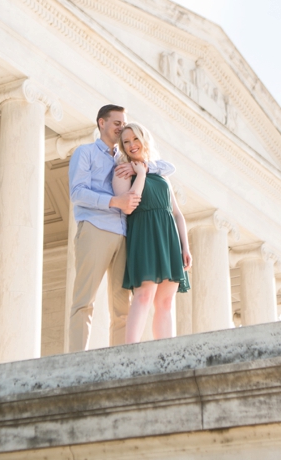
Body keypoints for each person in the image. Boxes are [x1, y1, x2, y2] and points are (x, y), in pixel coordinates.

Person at [68, 105, 176, 352]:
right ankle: (76, 359)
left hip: (126, 235)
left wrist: (144, 168)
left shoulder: (124, 158)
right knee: (84, 301)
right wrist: (114, 202)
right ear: (101, 123)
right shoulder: (84, 153)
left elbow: (167, 167)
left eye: (123, 123)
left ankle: (120, 359)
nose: (120, 128)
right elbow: (77, 192)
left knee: (123, 307)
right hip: (96, 228)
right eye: (116, 123)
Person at [113, 122, 191, 344]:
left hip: (169, 239)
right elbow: (130, 204)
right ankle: (130, 350)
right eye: (126, 142)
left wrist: (185, 246)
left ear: (143, 139)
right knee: (144, 295)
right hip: (144, 235)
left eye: (135, 139)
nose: (131, 145)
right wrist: (139, 175)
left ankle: (166, 353)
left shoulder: (160, 173)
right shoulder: (123, 172)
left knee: (166, 302)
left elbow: (177, 213)